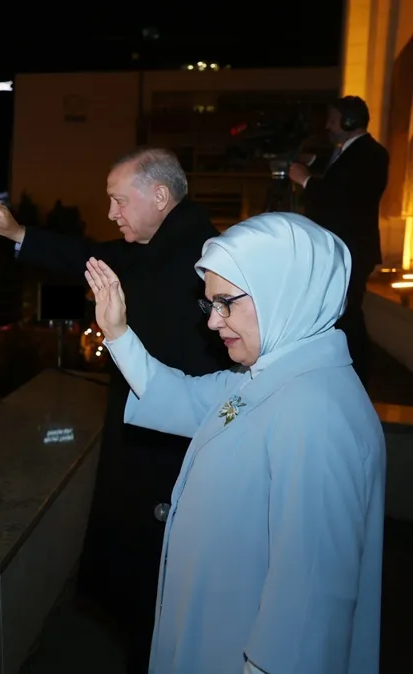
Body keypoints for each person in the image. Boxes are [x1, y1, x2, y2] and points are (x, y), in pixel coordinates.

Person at [84, 212, 385, 674]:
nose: (213, 322)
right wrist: (119, 333)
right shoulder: (271, 376)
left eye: (226, 302)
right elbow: (181, 397)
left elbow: (308, 608)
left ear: (283, 292)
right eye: (210, 305)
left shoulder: (316, 413)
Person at [0, 148, 232, 672]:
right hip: (150, 434)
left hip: (172, 450)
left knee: (157, 584)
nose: (112, 213)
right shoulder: (160, 246)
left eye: (119, 200)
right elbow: (89, 257)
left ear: (159, 196)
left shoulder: (201, 257)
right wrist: (19, 235)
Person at [288, 95, 389, 386]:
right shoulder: (342, 151)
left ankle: (357, 377)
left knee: (348, 315)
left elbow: (347, 199)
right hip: (338, 248)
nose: (328, 126)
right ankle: (339, 374)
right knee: (338, 314)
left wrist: (307, 181)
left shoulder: (372, 154)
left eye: (333, 119)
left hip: (353, 249)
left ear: (349, 121)